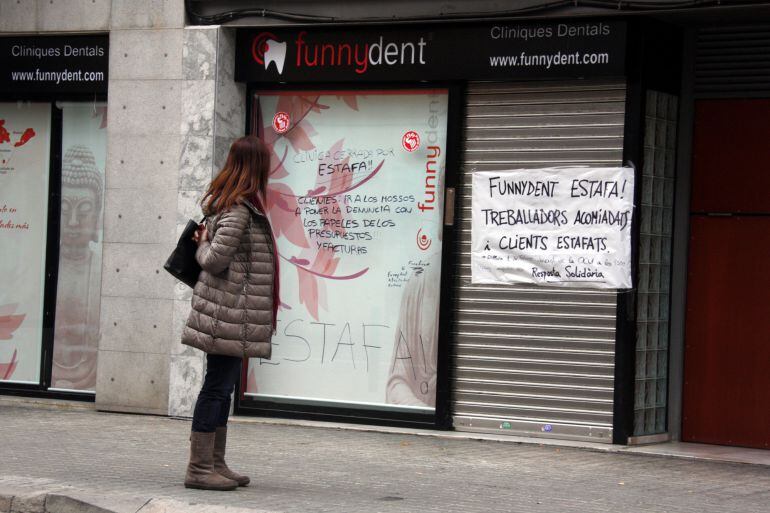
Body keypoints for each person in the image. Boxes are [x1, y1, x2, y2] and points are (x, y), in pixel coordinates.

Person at [181, 135, 279, 491]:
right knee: (216, 388)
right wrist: (204, 242)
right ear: (255, 168)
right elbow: (213, 260)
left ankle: (214, 463)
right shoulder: (237, 210)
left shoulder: (239, 207)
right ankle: (199, 468)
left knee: (222, 389)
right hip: (227, 315)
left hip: (233, 315)